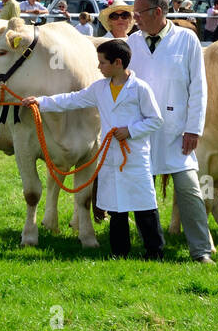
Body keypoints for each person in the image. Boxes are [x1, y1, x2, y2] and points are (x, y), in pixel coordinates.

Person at [22, 40, 165, 259]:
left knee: (144, 205)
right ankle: (119, 251)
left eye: (102, 62)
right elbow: (72, 100)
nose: (98, 67)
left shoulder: (140, 89)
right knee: (117, 206)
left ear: (118, 63)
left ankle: (154, 251)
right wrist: (40, 102)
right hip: (110, 156)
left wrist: (130, 130)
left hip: (134, 156)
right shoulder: (99, 88)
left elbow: (155, 120)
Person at [128, 0, 214, 263]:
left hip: (178, 131)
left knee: (190, 191)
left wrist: (194, 129)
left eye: (138, 13)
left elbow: (199, 88)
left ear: (157, 12)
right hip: (142, 129)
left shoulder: (187, 40)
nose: (134, 18)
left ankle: (201, 251)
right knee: (143, 191)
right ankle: (151, 246)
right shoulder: (132, 42)